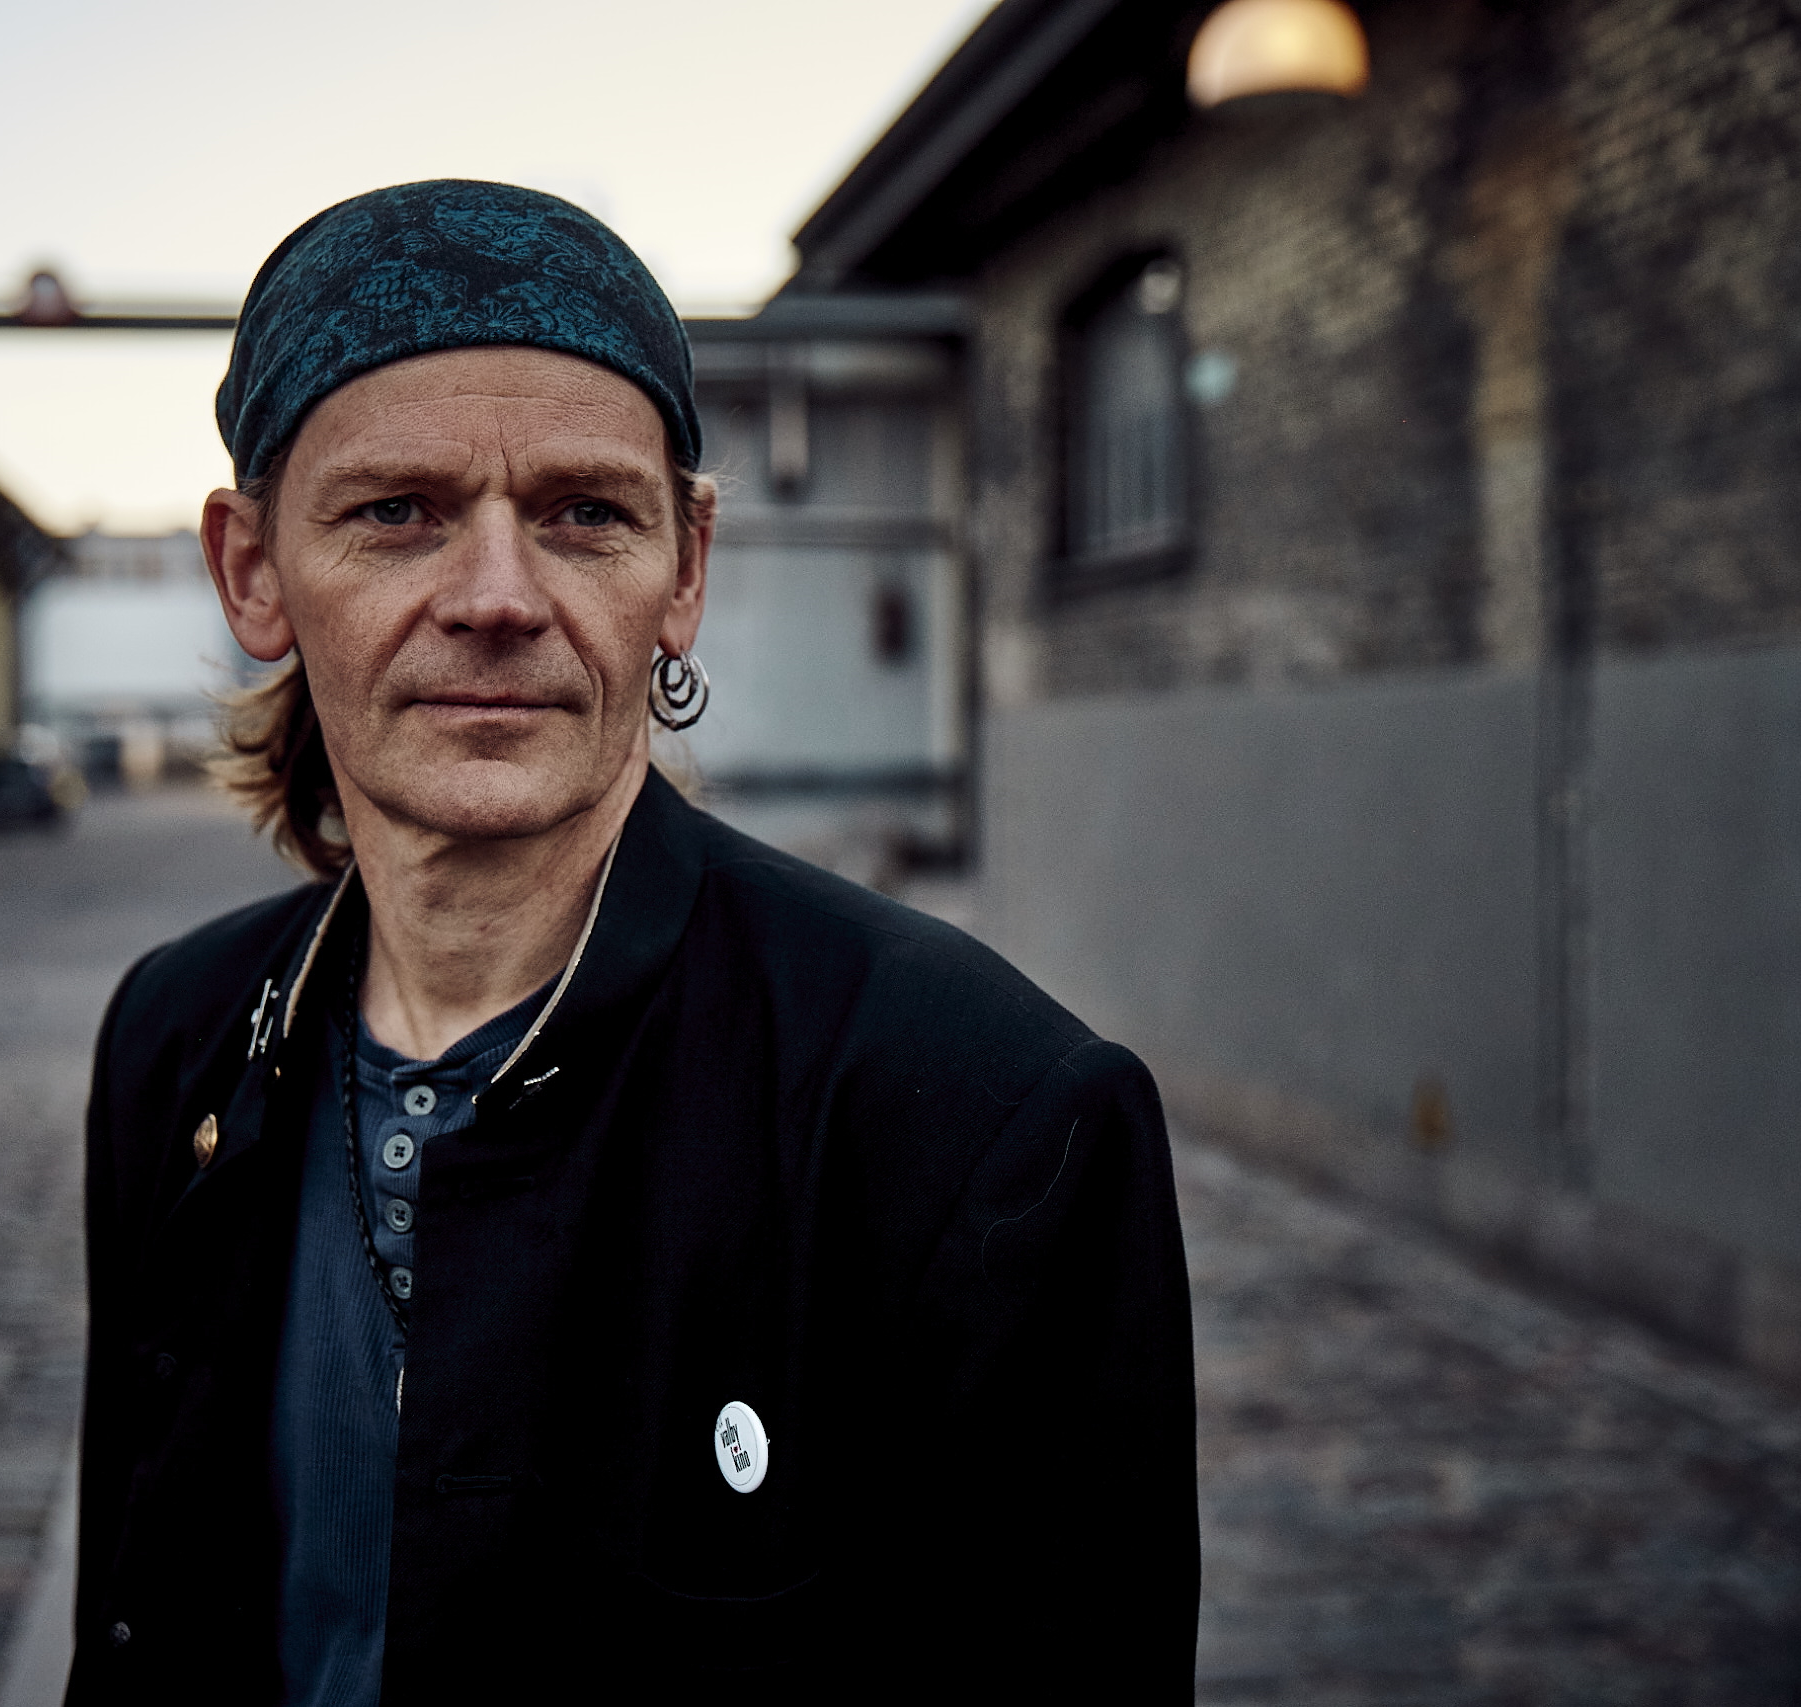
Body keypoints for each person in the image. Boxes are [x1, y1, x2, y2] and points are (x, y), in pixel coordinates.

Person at [66, 181, 1197, 1707]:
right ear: (252, 572)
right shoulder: (178, 1037)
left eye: (585, 515)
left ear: (686, 568)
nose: (496, 599)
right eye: (397, 512)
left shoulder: (980, 1117)